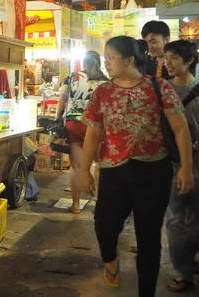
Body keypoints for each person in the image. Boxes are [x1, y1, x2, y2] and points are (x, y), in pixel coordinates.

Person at [80, 36, 194, 296]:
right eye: (105, 58)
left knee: (149, 237)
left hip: (155, 172)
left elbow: (180, 129)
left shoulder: (159, 86)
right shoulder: (102, 92)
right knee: (104, 225)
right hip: (113, 170)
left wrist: (186, 167)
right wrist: (85, 170)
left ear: (129, 60)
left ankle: (146, 293)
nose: (106, 63)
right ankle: (110, 261)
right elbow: (93, 135)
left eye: (111, 58)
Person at [163, 39, 199, 293]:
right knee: (175, 219)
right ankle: (182, 271)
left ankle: (187, 260)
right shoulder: (162, 91)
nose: (168, 63)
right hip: (173, 164)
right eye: (166, 58)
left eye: (174, 58)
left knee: (196, 220)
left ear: (189, 61)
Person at [56, 51, 107, 214]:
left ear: (83, 63)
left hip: (73, 124)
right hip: (95, 125)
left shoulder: (72, 77)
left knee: (76, 166)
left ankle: (76, 204)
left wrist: (57, 118)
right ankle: (99, 198)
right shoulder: (105, 81)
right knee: (99, 163)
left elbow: (62, 99)